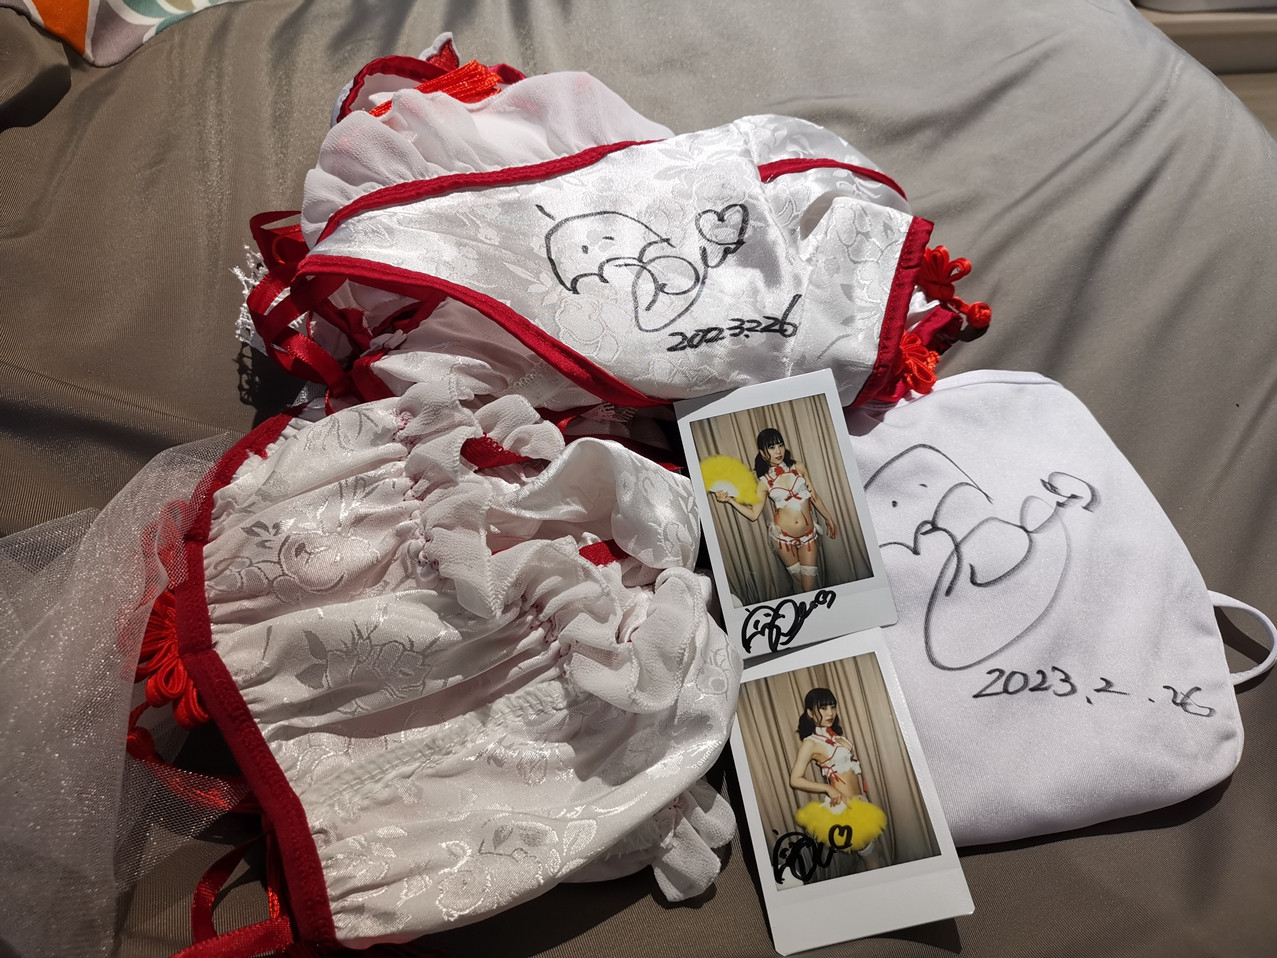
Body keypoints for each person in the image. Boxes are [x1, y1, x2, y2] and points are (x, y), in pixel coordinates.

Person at [713, 428, 838, 594]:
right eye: (771, 447)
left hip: (808, 536)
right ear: (762, 453)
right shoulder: (764, 482)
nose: (778, 451)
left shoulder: (799, 467)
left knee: (809, 587)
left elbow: (814, 496)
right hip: (783, 539)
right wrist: (730, 500)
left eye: (780, 445)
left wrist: (828, 518)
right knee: (798, 581)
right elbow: (754, 515)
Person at [788, 687, 889, 870]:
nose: (830, 713)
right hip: (844, 807)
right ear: (810, 713)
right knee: (873, 859)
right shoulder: (811, 743)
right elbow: (795, 780)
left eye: (832, 707)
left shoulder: (837, 737)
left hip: (859, 803)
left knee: (874, 854)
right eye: (823, 708)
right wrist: (828, 788)